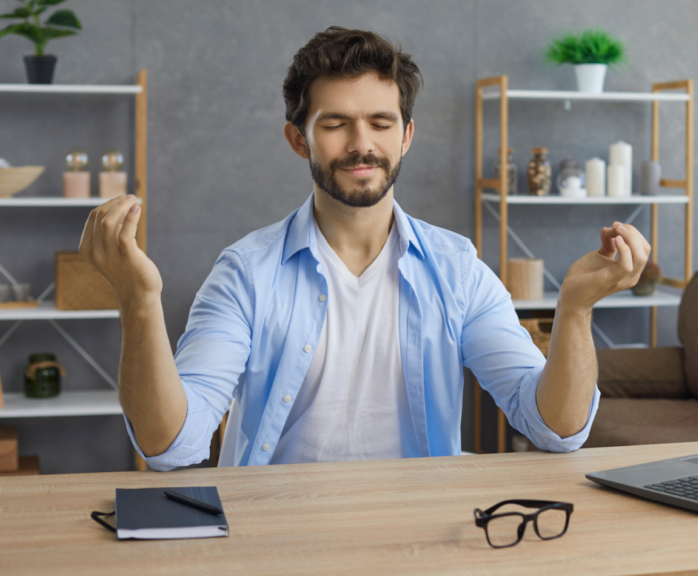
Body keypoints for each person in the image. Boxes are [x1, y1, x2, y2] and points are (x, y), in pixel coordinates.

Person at [79, 27, 650, 470]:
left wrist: (574, 311)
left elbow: (555, 428)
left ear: (405, 135)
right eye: (336, 124)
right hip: (272, 544)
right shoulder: (245, 273)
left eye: (381, 122)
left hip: (420, 537)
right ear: (298, 137)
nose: (361, 144)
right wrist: (138, 300)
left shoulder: (458, 270)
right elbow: (170, 446)